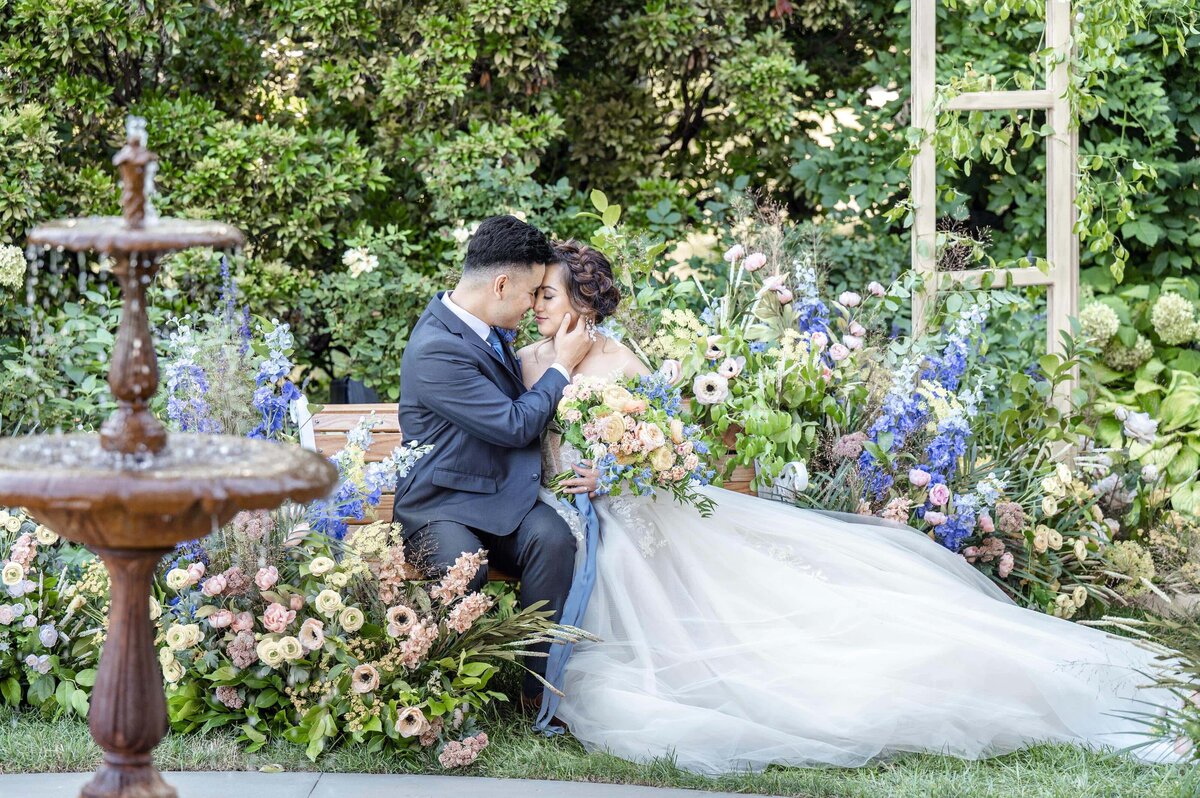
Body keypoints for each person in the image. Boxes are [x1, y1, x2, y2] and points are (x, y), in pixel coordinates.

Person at [518, 239, 1185, 773]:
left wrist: (614, 474)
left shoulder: (621, 363)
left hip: (626, 517)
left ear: (583, 300)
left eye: (547, 294)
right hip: (564, 515)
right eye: (535, 294)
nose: (535, 304)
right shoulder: (527, 361)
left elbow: (672, 446)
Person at [393, 214, 593, 708]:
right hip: (441, 507)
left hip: (503, 496)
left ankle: (534, 694)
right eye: (530, 294)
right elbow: (513, 424)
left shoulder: (485, 327)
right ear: (501, 284)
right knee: (467, 567)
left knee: (554, 537)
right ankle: (459, 694)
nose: (532, 306)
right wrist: (563, 365)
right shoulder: (436, 347)